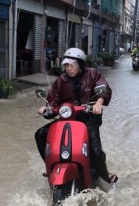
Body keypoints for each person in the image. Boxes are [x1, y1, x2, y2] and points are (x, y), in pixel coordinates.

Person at [34, 47, 118, 184]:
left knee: (95, 151)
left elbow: (104, 87)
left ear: (80, 65)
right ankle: (50, 165)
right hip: (67, 119)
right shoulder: (61, 80)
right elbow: (53, 98)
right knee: (41, 134)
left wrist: (99, 102)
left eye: (71, 65)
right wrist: (47, 108)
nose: (68, 68)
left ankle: (105, 174)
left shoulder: (93, 74)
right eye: (66, 65)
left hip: (88, 119)